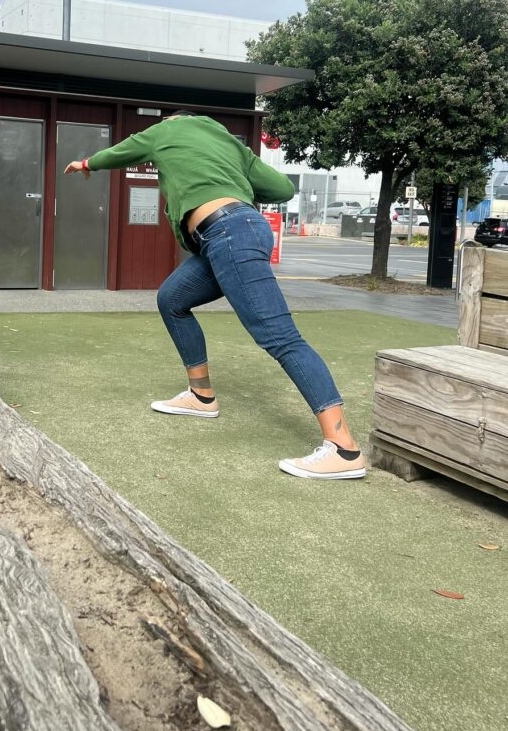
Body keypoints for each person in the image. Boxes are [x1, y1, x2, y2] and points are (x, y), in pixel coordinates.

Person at [64, 112, 366, 480]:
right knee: (172, 299)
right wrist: (235, 182)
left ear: (175, 121)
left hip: (228, 234)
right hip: (228, 235)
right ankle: (201, 395)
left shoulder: (165, 130)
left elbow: (121, 152)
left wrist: (86, 163)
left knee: (281, 338)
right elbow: (283, 190)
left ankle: (343, 448)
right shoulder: (229, 143)